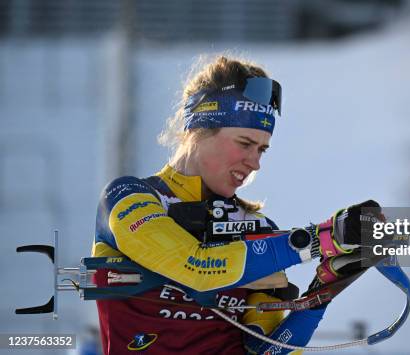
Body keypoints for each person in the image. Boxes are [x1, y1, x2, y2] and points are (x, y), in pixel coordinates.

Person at [92, 55, 379, 355]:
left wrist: (324, 289)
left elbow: (266, 351)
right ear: (199, 130)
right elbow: (196, 266)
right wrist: (321, 239)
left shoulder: (257, 229)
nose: (255, 163)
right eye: (244, 143)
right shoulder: (127, 197)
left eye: (262, 149)